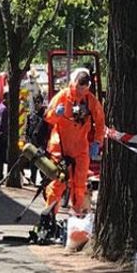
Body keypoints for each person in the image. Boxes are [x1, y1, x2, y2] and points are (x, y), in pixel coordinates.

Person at [44, 68, 105, 215]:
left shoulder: (90, 100)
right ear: (74, 83)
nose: (81, 92)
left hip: (80, 149)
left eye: (84, 89)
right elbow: (48, 117)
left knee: (80, 185)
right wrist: (56, 114)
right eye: (79, 88)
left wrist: (97, 141)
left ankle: (78, 218)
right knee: (58, 183)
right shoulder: (63, 96)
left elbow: (100, 121)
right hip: (61, 147)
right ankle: (49, 215)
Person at [24, 94, 46, 185]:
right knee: (32, 163)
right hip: (32, 142)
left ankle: (44, 180)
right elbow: (28, 128)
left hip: (41, 143)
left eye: (38, 102)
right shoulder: (31, 115)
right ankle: (32, 180)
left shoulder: (45, 115)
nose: (36, 104)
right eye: (35, 102)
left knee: (41, 163)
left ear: (41, 103)